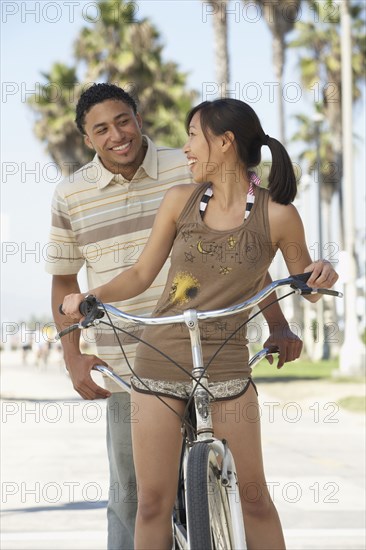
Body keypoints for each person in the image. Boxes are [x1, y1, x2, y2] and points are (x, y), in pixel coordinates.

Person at [51, 89, 304, 549]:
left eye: (194, 136)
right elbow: (140, 273)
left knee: (254, 498)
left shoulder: (276, 213)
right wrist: (88, 300)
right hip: (154, 356)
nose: (187, 146)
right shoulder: (174, 195)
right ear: (86, 137)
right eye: (101, 128)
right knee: (147, 502)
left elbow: (276, 268)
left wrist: (294, 305)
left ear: (224, 143)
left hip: (226, 363)